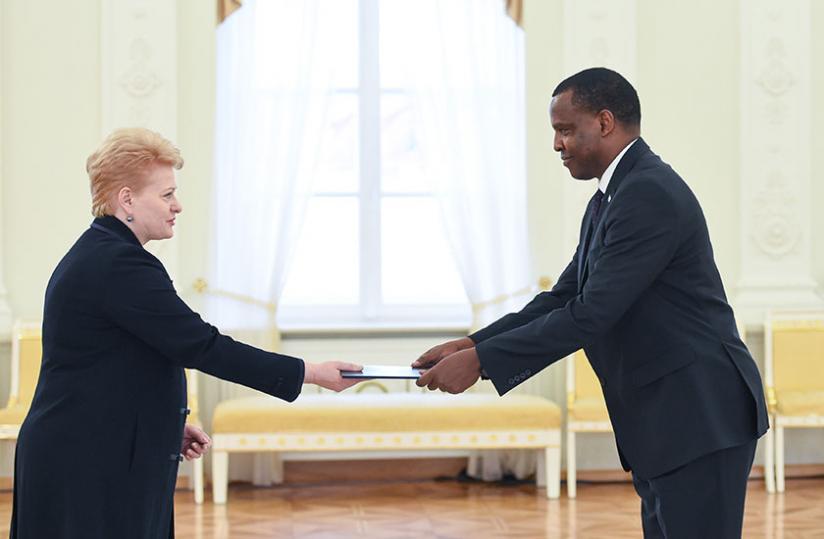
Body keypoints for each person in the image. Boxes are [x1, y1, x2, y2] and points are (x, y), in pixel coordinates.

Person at [413, 68, 768, 538]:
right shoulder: (612, 195)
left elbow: (591, 314)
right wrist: (472, 345)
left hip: (698, 415)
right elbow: (564, 297)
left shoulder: (648, 193)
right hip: (668, 419)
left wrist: (482, 362)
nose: (557, 145)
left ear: (604, 122)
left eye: (564, 130)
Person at [10, 128, 362, 538]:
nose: (177, 205)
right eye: (167, 194)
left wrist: (163, 426)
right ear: (127, 199)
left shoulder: (104, 253)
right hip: (86, 461)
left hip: (96, 449)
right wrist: (312, 373)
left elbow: (117, 364)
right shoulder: (119, 264)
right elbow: (201, 345)